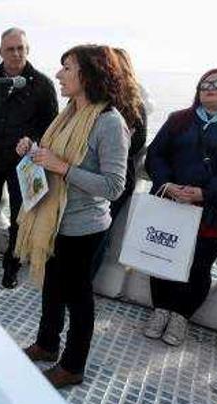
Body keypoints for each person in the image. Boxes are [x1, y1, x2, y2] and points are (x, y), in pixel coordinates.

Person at [18, 45, 132, 388]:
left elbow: (114, 186)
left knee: (78, 299)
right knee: (52, 289)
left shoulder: (110, 122)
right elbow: (53, 155)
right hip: (54, 221)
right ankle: (47, 344)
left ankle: (72, 366)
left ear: (89, 74)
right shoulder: (68, 112)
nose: (58, 74)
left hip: (84, 229)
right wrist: (33, 151)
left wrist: (62, 168)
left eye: (66, 68)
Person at [143, 68, 217, 346]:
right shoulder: (178, 120)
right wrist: (167, 183)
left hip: (211, 210)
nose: (210, 87)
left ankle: (181, 316)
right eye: (205, 84)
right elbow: (156, 154)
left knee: (199, 266)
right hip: (171, 202)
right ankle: (160, 310)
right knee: (161, 258)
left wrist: (205, 193)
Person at [0, 27, 59, 289]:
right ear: (0, 52)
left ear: (27, 50)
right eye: (10, 49)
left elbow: (51, 129)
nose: (16, 53)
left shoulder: (43, 85)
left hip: (24, 165)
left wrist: (32, 139)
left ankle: (12, 265)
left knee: (20, 216)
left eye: (21, 48)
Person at [90, 47, 147, 276]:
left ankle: (83, 284)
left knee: (98, 236)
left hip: (115, 180)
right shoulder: (94, 100)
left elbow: (136, 144)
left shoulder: (134, 105)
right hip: (88, 177)